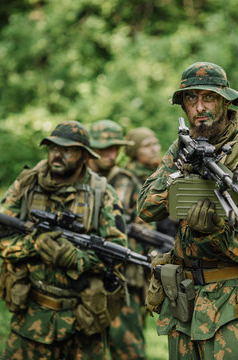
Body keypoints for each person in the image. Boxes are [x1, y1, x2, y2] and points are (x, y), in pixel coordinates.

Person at [137, 61, 238, 359]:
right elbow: (146, 208)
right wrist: (179, 179)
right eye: (191, 99)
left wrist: (213, 230)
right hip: (185, 300)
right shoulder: (184, 146)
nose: (199, 107)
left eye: (208, 98)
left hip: (234, 303)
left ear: (225, 101)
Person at [0, 120, 128, 359]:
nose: (58, 155)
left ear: (85, 156)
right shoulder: (27, 184)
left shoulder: (101, 193)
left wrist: (77, 259)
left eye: (69, 150)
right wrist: (33, 246)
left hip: (83, 320)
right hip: (31, 316)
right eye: (54, 148)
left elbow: (117, 254)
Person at [88, 120, 148, 360]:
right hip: (83, 276)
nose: (111, 154)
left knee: (128, 349)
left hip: (121, 278)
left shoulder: (127, 181)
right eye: (105, 148)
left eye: (116, 149)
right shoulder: (77, 180)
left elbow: (145, 227)